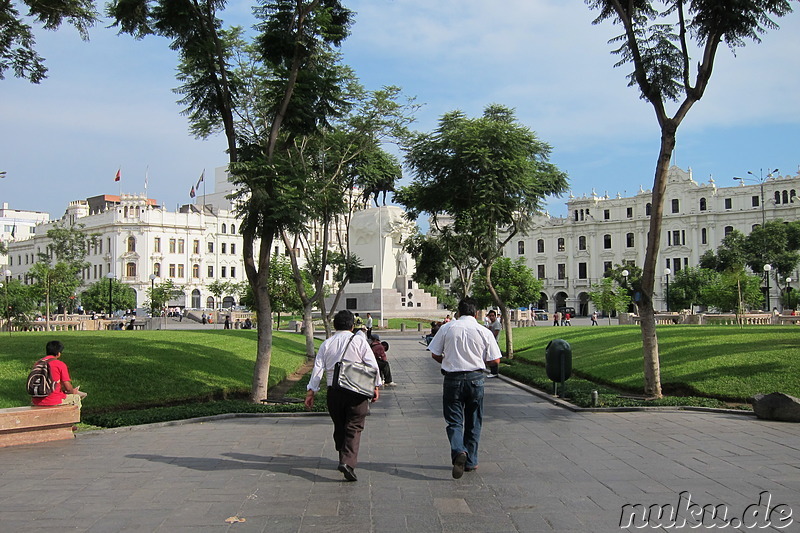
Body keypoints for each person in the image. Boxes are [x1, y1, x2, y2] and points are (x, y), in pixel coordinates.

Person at [427, 298, 501, 479]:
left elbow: (434, 353)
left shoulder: (447, 328)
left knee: (454, 421)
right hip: (476, 378)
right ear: (476, 313)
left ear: (458, 312)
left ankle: (459, 450)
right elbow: (495, 360)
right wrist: (478, 361)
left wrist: (448, 361)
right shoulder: (483, 331)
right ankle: (471, 460)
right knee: (474, 420)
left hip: (452, 379)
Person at [305, 310, 381, 482]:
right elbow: (372, 365)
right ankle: (347, 462)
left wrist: (311, 391)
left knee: (340, 423)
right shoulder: (359, 341)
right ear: (352, 325)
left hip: (335, 392)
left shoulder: (327, 344)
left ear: (335, 325)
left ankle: (342, 453)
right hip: (357, 390)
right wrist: (376, 386)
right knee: (354, 426)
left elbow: (318, 369)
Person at [31, 340, 88, 408]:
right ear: (58, 353)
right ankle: (73, 418)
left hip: (36, 401)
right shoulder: (60, 364)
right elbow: (68, 387)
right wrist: (73, 391)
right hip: (53, 400)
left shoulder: (37, 363)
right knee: (76, 398)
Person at [485, 310, 502, 378]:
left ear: (495, 316)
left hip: (494, 343)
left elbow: (496, 333)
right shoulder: (491, 323)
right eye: (490, 316)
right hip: (490, 343)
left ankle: (494, 372)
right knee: (491, 357)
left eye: (493, 316)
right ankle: (492, 371)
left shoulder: (496, 324)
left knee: (494, 357)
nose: (491, 317)